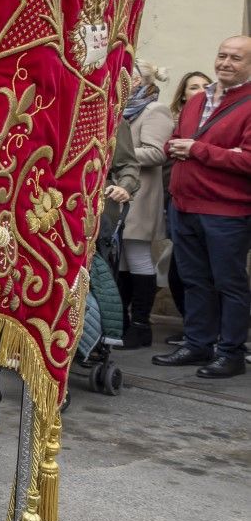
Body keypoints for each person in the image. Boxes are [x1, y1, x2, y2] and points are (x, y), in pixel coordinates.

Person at [157, 35, 251, 379]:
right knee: (194, 280)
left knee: (229, 283)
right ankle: (198, 343)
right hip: (183, 204)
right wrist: (185, 147)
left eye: (236, 58)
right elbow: (175, 140)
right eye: (222, 55)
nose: (225, 62)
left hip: (226, 211)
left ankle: (231, 352)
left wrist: (198, 150)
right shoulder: (198, 100)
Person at [114, 61, 173, 349]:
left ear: (139, 81)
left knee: (137, 256)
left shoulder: (154, 110)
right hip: (121, 192)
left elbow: (156, 152)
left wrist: (116, 151)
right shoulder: (122, 109)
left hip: (141, 194)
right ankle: (123, 322)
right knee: (122, 258)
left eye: (129, 77)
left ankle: (141, 324)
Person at [163, 70, 212, 341]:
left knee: (215, 275)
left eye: (206, 86)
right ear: (183, 94)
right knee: (183, 272)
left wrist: (194, 148)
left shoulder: (216, 118)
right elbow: (166, 150)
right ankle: (195, 333)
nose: (201, 91)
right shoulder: (177, 119)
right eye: (194, 87)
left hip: (210, 204)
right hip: (176, 199)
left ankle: (210, 336)